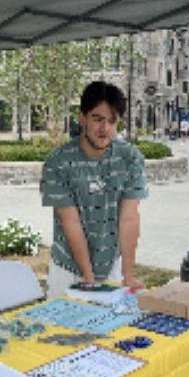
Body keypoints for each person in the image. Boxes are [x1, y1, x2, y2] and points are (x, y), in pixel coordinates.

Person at [41, 81, 148, 298]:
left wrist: (127, 276)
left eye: (112, 121)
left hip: (112, 264)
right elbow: (71, 222)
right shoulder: (58, 162)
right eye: (97, 119)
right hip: (68, 269)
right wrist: (89, 281)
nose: (104, 128)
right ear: (82, 118)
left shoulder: (130, 158)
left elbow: (129, 218)